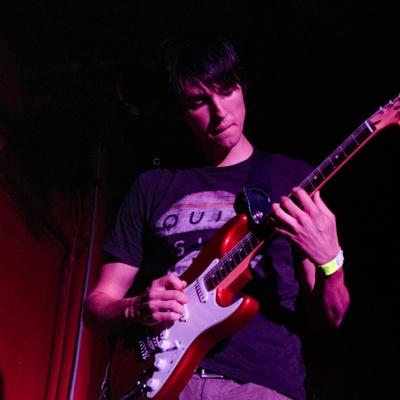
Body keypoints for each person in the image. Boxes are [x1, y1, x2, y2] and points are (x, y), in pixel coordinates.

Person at [84, 30, 350, 400]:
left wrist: (330, 262)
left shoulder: (290, 179)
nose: (220, 112)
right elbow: (97, 304)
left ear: (242, 87)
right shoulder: (153, 186)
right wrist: (136, 308)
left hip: (259, 386)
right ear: (181, 110)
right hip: (162, 381)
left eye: (226, 91)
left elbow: (330, 317)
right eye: (199, 101)